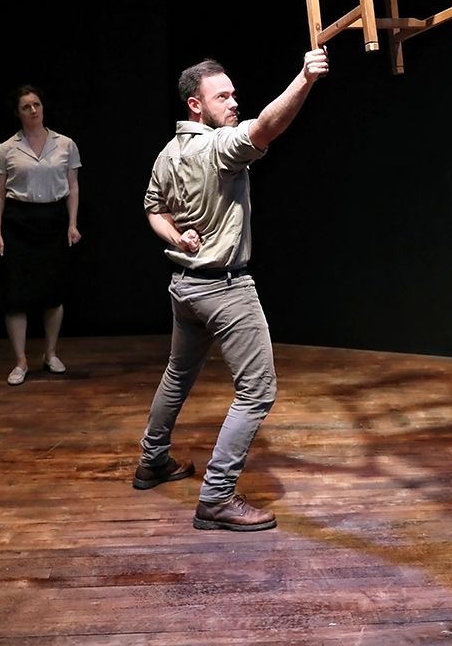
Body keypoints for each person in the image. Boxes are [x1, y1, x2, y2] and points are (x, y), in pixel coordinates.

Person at [137, 47, 328, 532]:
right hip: (224, 289)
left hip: (185, 287)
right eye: (222, 96)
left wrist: (176, 236)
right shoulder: (218, 147)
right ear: (195, 105)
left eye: (233, 94)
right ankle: (217, 496)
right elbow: (266, 126)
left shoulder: (169, 151)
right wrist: (304, 78)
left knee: (178, 375)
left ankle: (153, 461)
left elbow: (152, 210)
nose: (233, 102)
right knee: (257, 391)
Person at [0, 85, 81, 386]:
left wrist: (72, 224)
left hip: (52, 219)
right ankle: (20, 361)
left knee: (53, 292)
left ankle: (50, 353)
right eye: (26, 106)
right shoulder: (5, 149)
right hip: (20, 221)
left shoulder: (65, 144)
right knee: (16, 294)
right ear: (18, 113)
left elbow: (73, 187)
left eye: (37, 104)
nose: (33, 110)